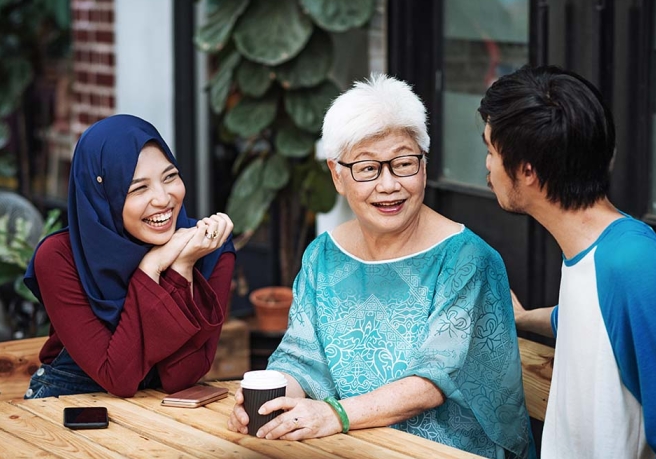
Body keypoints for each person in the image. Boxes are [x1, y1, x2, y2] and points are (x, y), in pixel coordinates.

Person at [228, 74, 533, 459]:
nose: (389, 185)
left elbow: (432, 380)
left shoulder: (467, 259)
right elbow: (301, 358)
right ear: (337, 175)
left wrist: (333, 414)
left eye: (403, 163)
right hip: (348, 446)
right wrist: (268, 402)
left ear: (424, 164)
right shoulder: (322, 256)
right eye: (368, 169)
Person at [478, 65, 656, 458]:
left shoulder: (633, 265)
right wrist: (523, 317)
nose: (486, 165)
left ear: (528, 171)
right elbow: (597, 324)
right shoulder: (594, 253)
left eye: (490, 151)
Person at [23, 114, 235, 398]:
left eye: (170, 177)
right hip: (69, 404)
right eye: (138, 188)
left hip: (161, 410)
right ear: (103, 195)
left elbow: (180, 377)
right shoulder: (60, 257)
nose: (163, 199)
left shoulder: (208, 248)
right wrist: (151, 268)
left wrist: (181, 268)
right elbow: (118, 377)